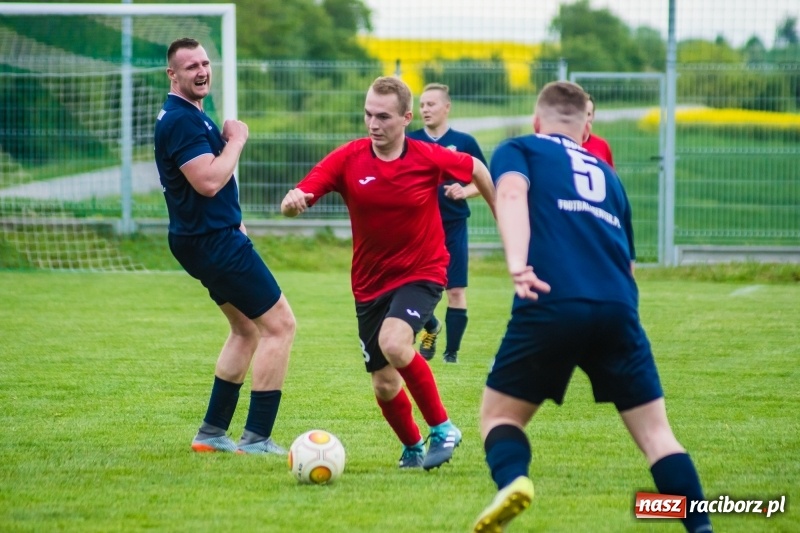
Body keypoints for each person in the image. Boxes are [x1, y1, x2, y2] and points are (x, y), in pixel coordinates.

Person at [472, 81, 712, 533]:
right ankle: (700, 528)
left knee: (500, 416)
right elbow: (629, 263)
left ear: (537, 120)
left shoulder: (519, 147)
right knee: (659, 437)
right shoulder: (609, 176)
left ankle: (514, 482)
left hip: (550, 299)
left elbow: (510, 195)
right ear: (587, 127)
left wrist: (518, 263)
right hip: (619, 308)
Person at [281, 76, 496, 470]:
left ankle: (443, 428)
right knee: (384, 383)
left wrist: (503, 218)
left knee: (396, 343)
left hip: (423, 271)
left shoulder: (427, 155)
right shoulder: (349, 158)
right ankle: (413, 447)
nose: (373, 124)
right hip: (369, 285)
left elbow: (478, 169)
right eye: (368, 114)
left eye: (383, 116)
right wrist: (293, 203)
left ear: (405, 118)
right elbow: (299, 195)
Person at [154, 37, 296, 455]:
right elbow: (209, 180)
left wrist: (239, 223)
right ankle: (257, 437)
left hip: (209, 238)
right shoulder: (180, 120)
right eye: (190, 66)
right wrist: (236, 139)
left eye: (204, 63)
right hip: (213, 243)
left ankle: (212, 432)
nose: (201, 71)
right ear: (172, 75)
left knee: (246, 328)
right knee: (281, 326)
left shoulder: (192, 115)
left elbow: (214, 191)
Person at [407, 83, 487, 364]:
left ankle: (451, 354)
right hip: (417, 228)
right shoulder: (410, 139)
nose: (425, 109)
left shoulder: (464, 141)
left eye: (431, 104)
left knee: (455, 290)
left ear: (446, 107)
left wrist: (464, 191)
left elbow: (485, 179)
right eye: (422, 105)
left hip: (453, 225)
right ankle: (430, 328)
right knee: (411, 285)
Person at [582, 94, 615, 168]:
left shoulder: (602, 145)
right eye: (581, 113)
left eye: (588, 114)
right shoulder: (563, 145)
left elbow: (611, 175)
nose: (585, 119)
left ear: (593, 116)